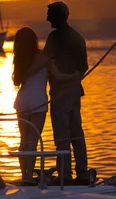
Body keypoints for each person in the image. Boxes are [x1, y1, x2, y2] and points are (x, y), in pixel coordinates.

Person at [12, 26, 81, 184]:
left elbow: (17, 81)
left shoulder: (19, 59)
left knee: (24, 140)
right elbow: (59, 76)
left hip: (22, 100)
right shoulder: (44, 56)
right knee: (33, 141)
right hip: (38, 101)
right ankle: (29, 178)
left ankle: (25, 176)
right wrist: (75, 76)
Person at [44, 1, 89, 184]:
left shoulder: (54, 38)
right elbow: (83, 68)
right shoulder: (78, 37)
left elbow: (46, 61)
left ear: (58, 17)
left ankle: (65, 175)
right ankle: (82, 173)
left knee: (62, 136)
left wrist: (61, 77)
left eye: (49, 15)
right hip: (74, 94)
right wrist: (72, 79)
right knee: (76, 133)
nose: (47, 19)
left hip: (60, 96)